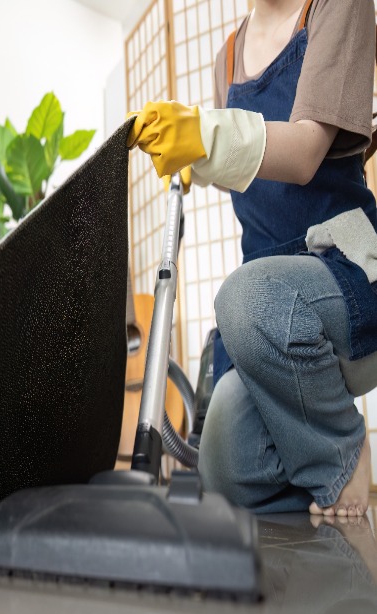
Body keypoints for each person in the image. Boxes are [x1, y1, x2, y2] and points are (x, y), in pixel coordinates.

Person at [127, 0, 377, 516]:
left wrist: (206, 135)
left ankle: (340, 456)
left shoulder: (337, 5)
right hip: (266, 326)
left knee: (244, 298)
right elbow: (251, 169)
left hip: (347, 277)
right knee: (225, 469)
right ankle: (312, 503)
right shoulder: (228, 58)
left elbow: (304, 152)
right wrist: (197, 157)